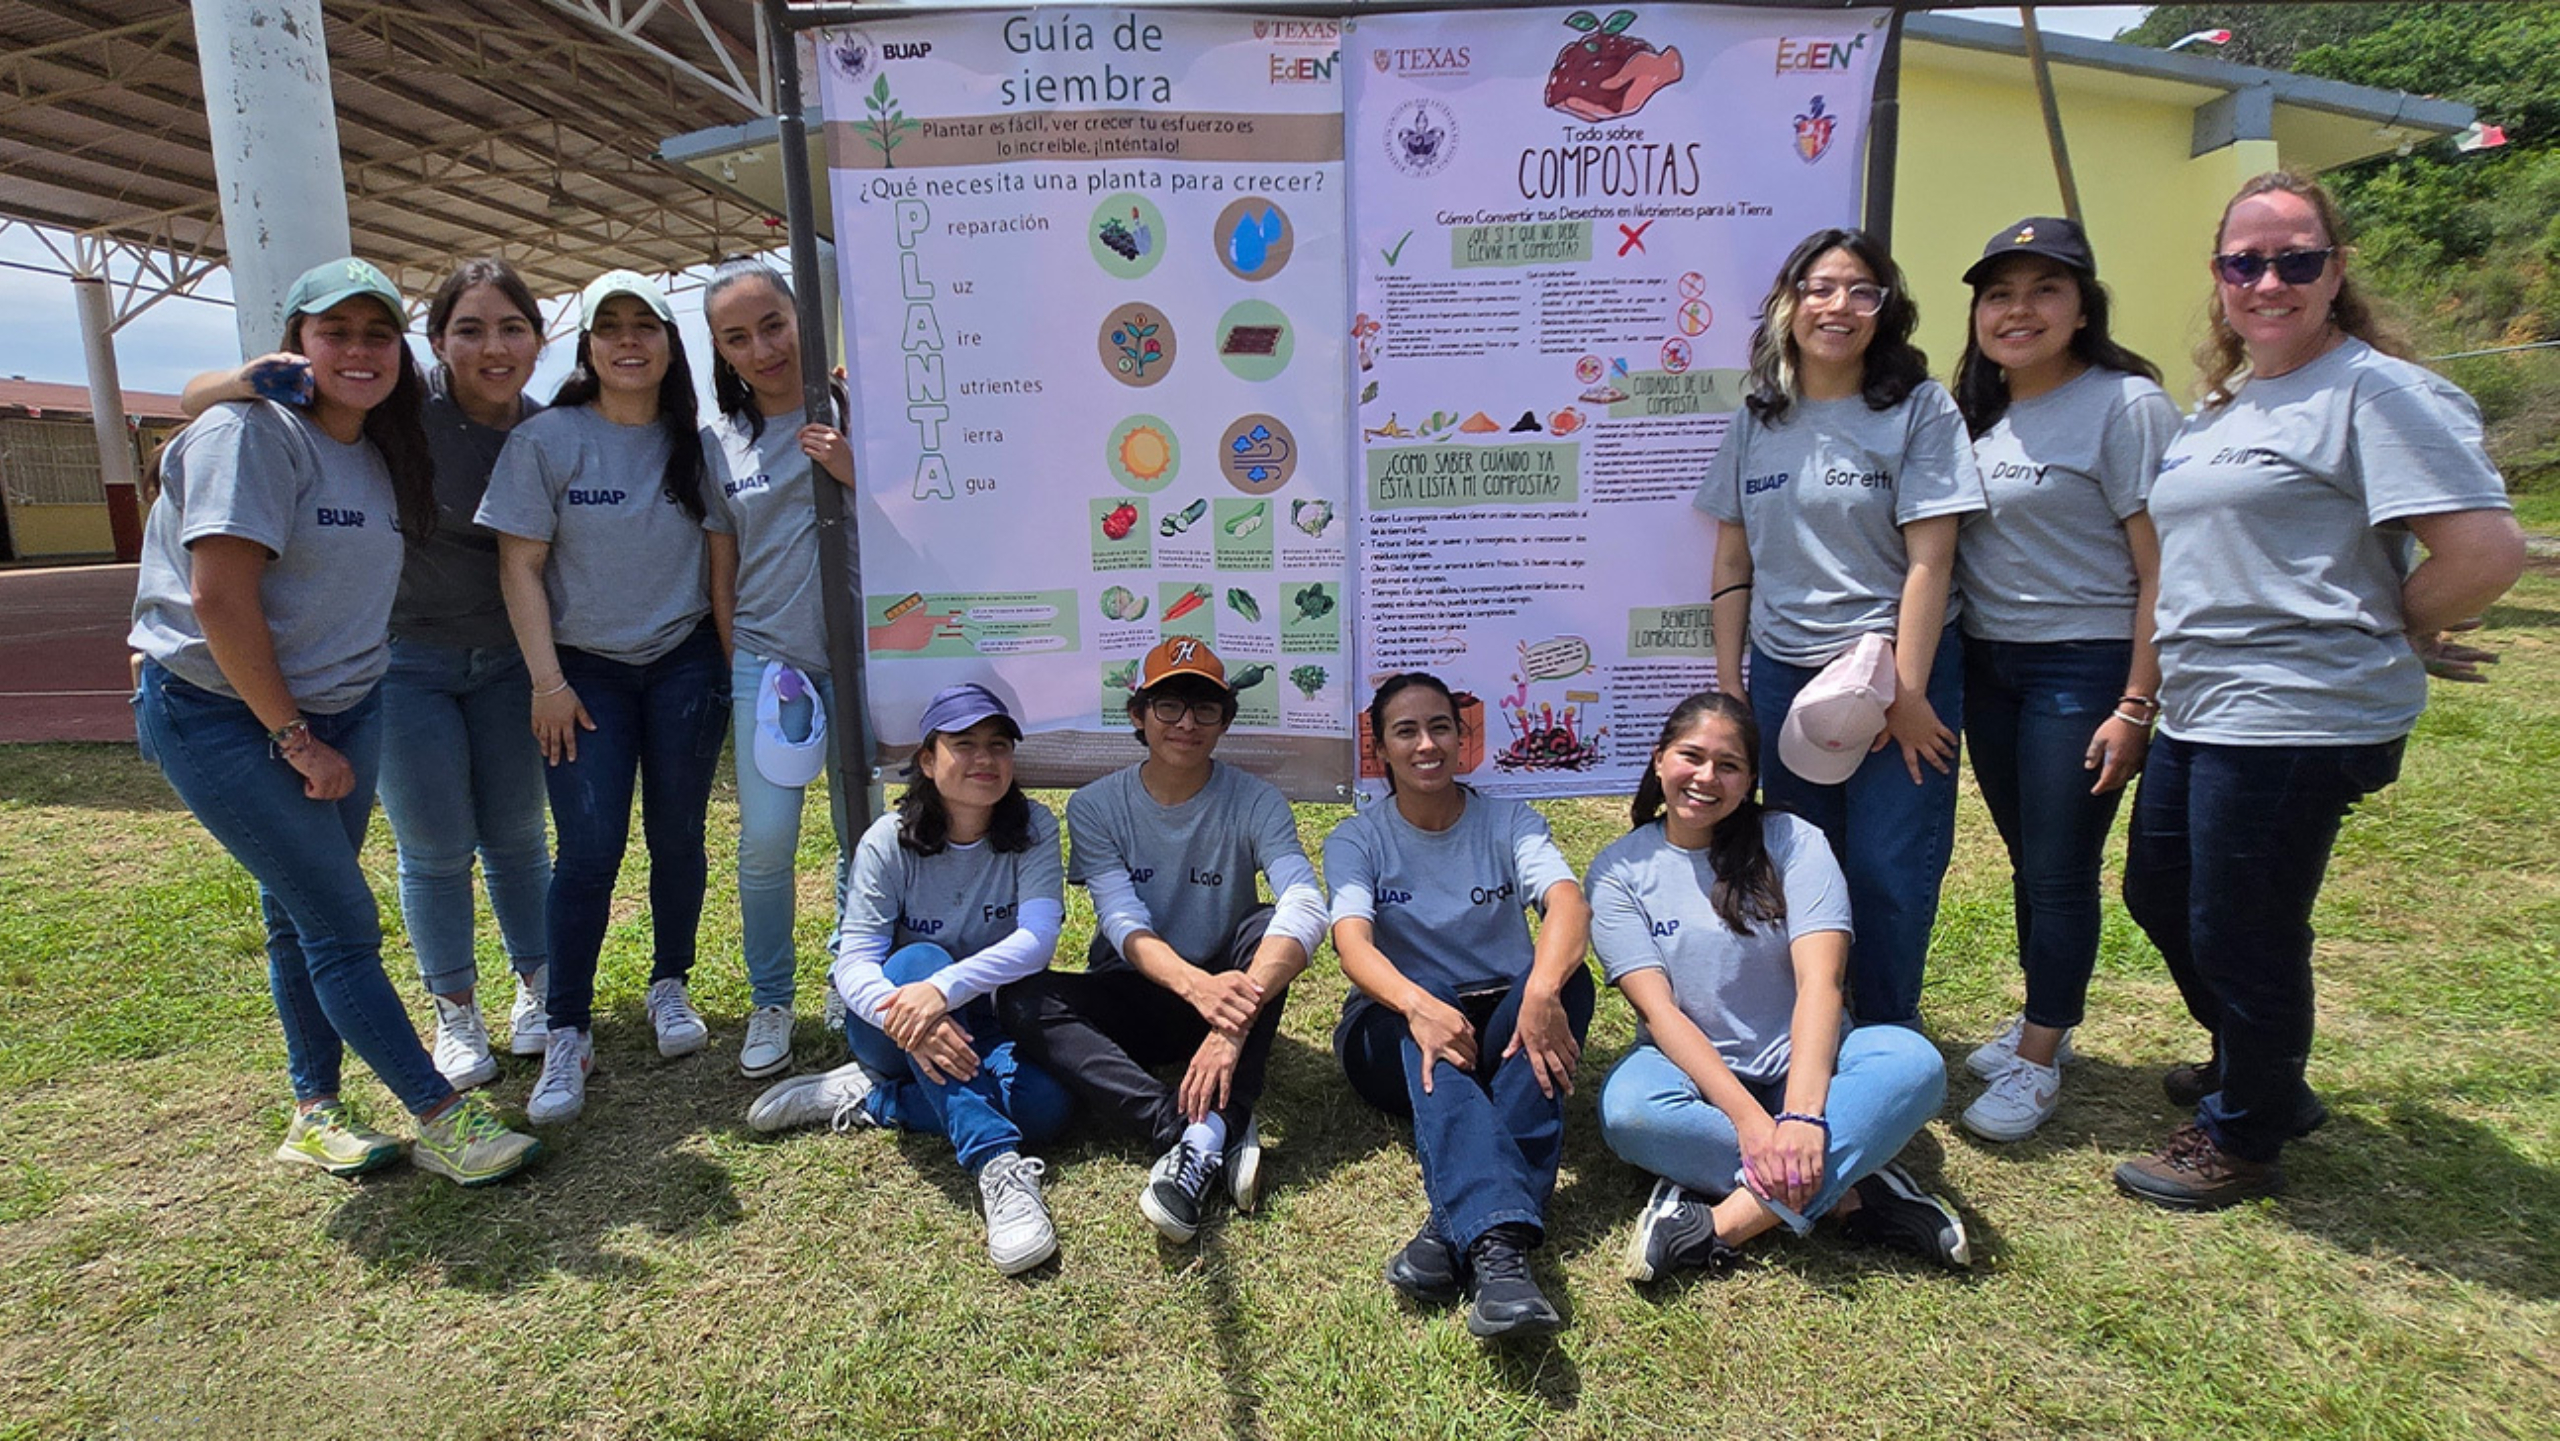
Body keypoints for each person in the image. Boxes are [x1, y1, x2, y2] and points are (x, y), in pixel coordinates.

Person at [2112, 173, 2525, 1208]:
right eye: (2243, 261)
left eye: (2294, 259)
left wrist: (2388, 623)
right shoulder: (2232, 402)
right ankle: (2263, 1072)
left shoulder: (2374, 391)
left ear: (2334, 273)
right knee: (2160, 894)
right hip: (2207, 702)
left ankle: (2245, 1132)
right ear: (2217, 278)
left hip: (2297, 711)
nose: (2267, 280)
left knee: (2241, 927)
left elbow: (2481, 551)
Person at [130, 256, 539, 1186]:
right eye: (334, 332)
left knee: (298, 915)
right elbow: (219, 595)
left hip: (345, 707)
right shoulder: (248, 432)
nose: (357, 350)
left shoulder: (378, 442)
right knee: (344, 920)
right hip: (231, 718)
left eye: (375, 334)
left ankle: (314, 1108)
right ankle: (440, 1114)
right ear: (294, 343)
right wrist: (292, 737)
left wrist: (326, 724)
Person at [1695, 228, 1986, 1031]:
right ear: (1790, 306)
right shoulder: (1760, 417)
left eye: (1863, 291)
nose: (1840, 306)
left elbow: (1933, 560)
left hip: (1894, 672)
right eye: (1822, 288)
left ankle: (1887, 1032)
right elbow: (1731, 554)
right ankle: (1822, 1022)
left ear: (1885, 312)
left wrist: (1911, 692)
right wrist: (1731, 685)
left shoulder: (1918, 409)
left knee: (1889, 865)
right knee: (1809, 865)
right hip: (1788, 673)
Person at [1592, 693, 1965, 1282]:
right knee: (1629, 1111)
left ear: (1750, 780)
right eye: (1691, 756)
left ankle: (1712, 1224)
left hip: (1812, 1067)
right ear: (1659, 759)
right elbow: (1659, 1013)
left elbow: (1822, 982)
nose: (1706, 778)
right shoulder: (1617, 872)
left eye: (1729, 765)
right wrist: (1751, 1122)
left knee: (1915, 1063)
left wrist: (1803, 1116)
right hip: (1695, 1074)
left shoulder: (1793, 841)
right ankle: (1853, 1192)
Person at [1947, 218, 2180, 1141]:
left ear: (2083, 307)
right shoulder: (1971, 412)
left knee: (2060, 863)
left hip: (2080, 668)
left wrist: (2135, 700)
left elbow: (2162, 567)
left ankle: (2041, 1055)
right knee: (2030, 858)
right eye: (2000, 293)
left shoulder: (2126, 405)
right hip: (1989, 666)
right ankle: (2044, 1017)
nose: (2019, 310)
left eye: (2045, 289)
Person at [476, 270, 727, 1125]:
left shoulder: (696, 442)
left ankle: (670, 982)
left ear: (668, 342)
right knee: (587, 851)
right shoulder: (547, 441)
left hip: (684, 661)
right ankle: (567, 1027)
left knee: (677, 833)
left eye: (645, 326)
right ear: (586, 347)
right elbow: (521, 565)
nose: (628, 341)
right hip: (583, 675)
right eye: (608, 327)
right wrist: (547, 682)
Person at [998, 638, 1328, 1244]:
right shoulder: (1096, 806)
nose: (1186, 724)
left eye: (1206, 709)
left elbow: (1307, 904)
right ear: (1137, 714)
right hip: (1141, 989)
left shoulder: (1257, 800)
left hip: (1228, 998)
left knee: (1266, 925)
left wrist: (1228, 1023)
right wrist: (1195, 987)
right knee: (1022, 997)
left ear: (1226, 721)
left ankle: (1205, 1137)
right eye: (1168, 706)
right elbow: (1122, 923)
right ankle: (1187, 1127)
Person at [746, 684, 1075, 1277]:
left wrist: (943, 997)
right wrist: (915, 1013)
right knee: (921, 961)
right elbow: (854, 963)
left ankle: (875, 1099)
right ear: (927, 760)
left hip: (979, 1021)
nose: (984, 760)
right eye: (963, 744)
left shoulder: (1034, 830)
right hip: (888, 1026)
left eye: (998, 746)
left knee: (1047, 1107)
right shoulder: (887, 840)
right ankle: (997, 1167)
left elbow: (1038, 941)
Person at [1326, 673, 1594, 1340]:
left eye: (1440, 726)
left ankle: (1461, 1241)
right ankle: (1498, 1253)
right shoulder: (1357, 838)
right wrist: (1416, 1004)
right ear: (1380, 748)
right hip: (1391, 1030)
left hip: (1500, 1020)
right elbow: (1352, 944)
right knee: (1435, 1000)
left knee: (1570, 982)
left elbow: (1567, 903)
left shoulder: (1508, 819)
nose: (1426, 743)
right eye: (1405, 731)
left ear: (1461, 736)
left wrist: (1539, 991)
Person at [698, 257, 860, 1079]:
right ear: (721, 353)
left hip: (859, 664)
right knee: (765, 841)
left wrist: (851, 469)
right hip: (771, 666)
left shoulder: (859, 411)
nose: (762, 348)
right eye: (738, 337)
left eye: (773, 324)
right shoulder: (719, 443)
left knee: (857, 831)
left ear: (802, 319)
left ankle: (848, 967)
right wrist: (742, 661)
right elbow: (722, 570)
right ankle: (771, 998)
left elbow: (928, 506)